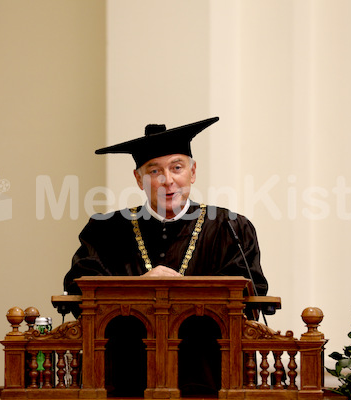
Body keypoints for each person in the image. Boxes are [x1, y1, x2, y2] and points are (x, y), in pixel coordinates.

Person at [63, 116, 268, 397]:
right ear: (138, 179)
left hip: (209, 378)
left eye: (177, 168)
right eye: (154, 171)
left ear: (193, 172)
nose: (167, 180)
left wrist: (183, 290)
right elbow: (77, 286)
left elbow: (252, 293)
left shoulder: (229, 226)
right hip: (123, 378)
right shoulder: (106, 230)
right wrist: (139, 285)